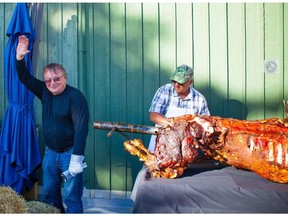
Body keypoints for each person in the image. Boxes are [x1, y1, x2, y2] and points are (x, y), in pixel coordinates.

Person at [15, 35, 89, 213]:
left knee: (72, 197)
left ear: (64, 77)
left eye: (57, 79)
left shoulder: (75, 96)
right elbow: (25, 77)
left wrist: (77, 158)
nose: (52, 83)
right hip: (50, 153)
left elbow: (81, 128)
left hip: (70, 154)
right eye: (48, 80)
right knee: (50, 196)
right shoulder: (44, 91)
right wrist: (19, 58)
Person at [148, 64, 210, 153]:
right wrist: (174, 125)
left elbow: (205, 125)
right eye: (174, 81)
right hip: (162, 146)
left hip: (186, 149)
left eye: (181, 83)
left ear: (190, 82)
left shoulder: (199, 99)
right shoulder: (164, 91)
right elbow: (153, 116)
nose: (176, 85)